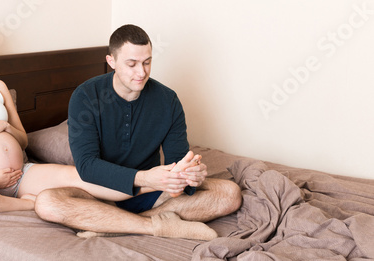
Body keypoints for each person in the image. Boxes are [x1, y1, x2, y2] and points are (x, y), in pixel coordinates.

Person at [34, 24, 242, 240]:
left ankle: (112, 225)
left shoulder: (167, 100)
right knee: (46, 202)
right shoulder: (86, 96)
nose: (141, 72)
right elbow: (87, 167)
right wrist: (145, 178)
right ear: (111, 61)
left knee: (230, 194)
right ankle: (154, 225)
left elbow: (176, 162)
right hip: (100, 193)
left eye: (147, 62)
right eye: (132, 64)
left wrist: (190, 175)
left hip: (151, 194)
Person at [0, 20, 141, 218]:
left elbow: (23, 141)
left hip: (21, 176)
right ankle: (25, 204)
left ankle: (152, 182)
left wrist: (5, 126)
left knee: (81, 175)